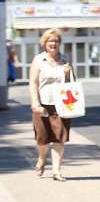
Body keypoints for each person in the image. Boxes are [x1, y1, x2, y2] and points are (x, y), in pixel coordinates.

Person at [28, 28, 73, 181]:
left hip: (62, 104)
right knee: (43, 138)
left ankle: (56, 171)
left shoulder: (65, 59)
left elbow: (72, 83)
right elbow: (33, 82)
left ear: (59, 43)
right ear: (45, 43)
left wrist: (68, 73)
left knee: (59, 137)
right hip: (42, 104)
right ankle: (41, 159)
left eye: (56, 41)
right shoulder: (39, 60)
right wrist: (35, 102)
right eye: (50, 41)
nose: (53, 43)